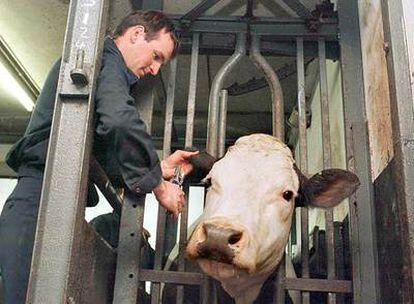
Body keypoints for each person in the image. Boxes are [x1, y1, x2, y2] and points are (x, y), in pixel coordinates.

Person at [0, 10, 197, 304]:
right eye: (156, 56)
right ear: (136, 34)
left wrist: (158, 167)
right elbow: (119, 120)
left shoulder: (106, 70)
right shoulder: (102, 61)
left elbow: (101, 155)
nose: (155, 70)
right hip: (38, 204)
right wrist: (158, 185)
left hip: (54, 207)